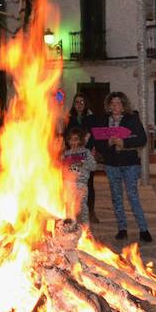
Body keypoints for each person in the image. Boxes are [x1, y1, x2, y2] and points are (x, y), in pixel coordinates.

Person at [95, 91, 151, 242]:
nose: (115, 106)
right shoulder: (103, 120)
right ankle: (122, 229)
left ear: (124, 105)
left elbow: (142, 139)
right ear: (108, 105)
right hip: (112, 164)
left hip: (130, 164)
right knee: (116, 197)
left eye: (118, 103)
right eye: (112, 103)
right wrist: (108, 143)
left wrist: (123, 143)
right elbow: (98, 142)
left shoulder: (132, 118)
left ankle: (143, 229)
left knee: (133, 197)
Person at [66, 94, 99, 223]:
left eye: (81, 102)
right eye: (76, 102)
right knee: (72, 182)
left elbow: (95, 134)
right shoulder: (70, 118)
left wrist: (93, 149)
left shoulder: (91, 117)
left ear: (85, 104)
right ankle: (73, 211)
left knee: (89, 183)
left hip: (87, 153)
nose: (79, 104)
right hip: (73, 154)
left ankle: (90, 211)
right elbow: (66, 135)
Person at [62, 127, 98, 225]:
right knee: (69, 206)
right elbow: (61, 169)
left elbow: (94, 167)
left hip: (81, 184)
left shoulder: (85, 153)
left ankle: (86, 229)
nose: (73, 142)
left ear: (80, 140)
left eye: (76, 139)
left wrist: (83, 164)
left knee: (82, 207)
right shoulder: (66, 154)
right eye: (70, 140)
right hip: (68, 183)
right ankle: (70, 228)